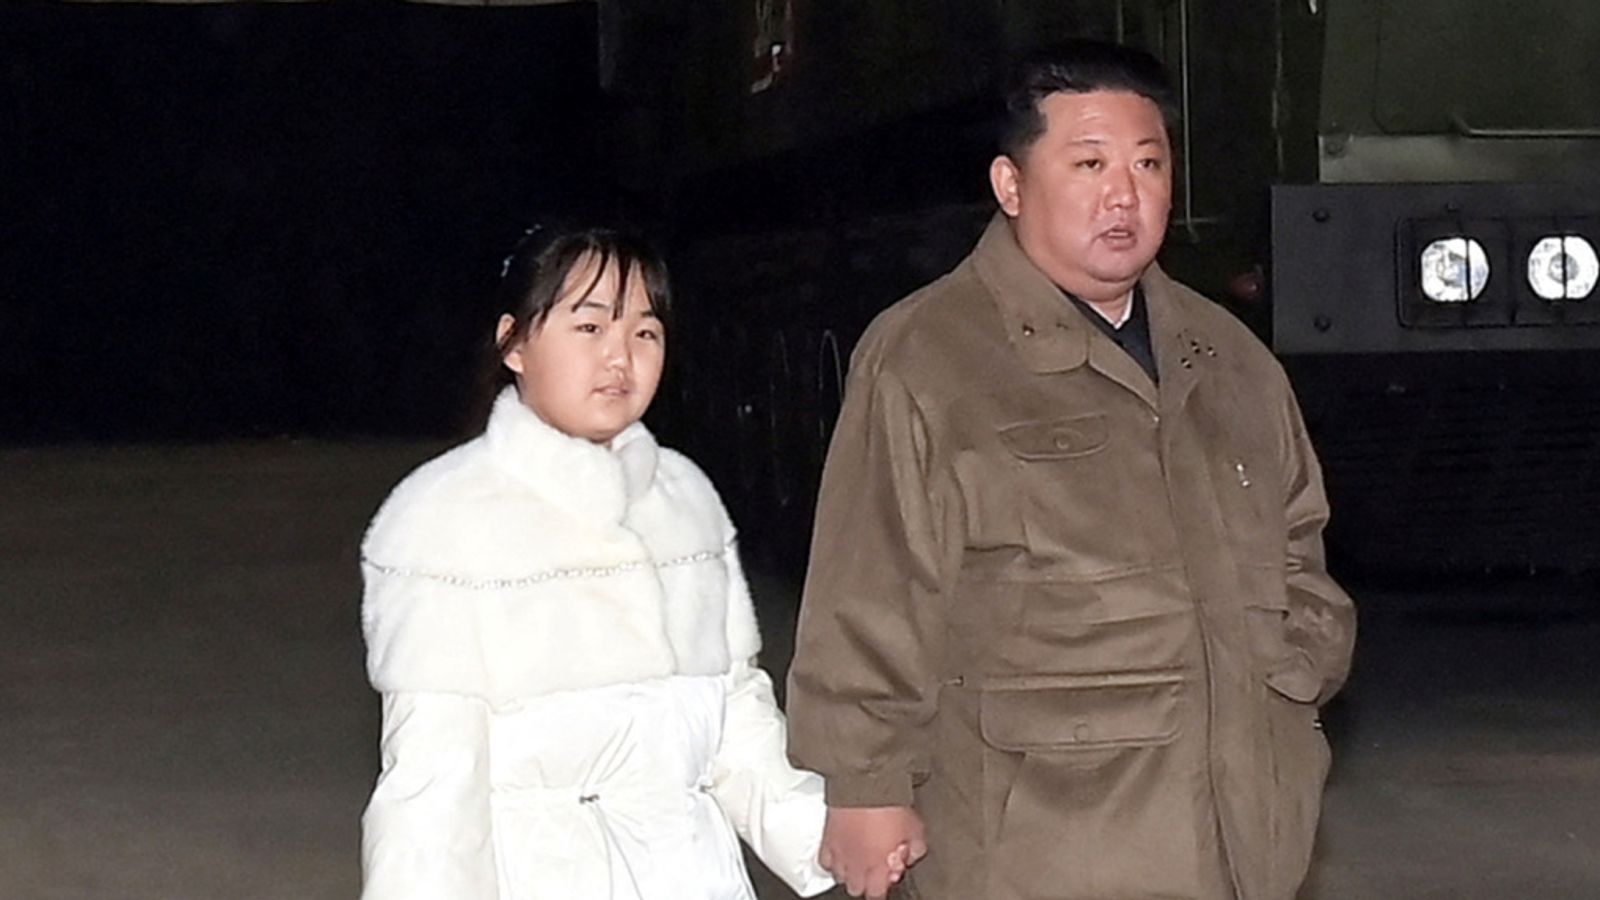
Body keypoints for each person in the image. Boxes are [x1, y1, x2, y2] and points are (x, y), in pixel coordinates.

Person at [786, 41, 1357, 900]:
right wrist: (864, 787)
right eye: (1089, 164)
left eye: (1148, 164)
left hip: (1239, 836)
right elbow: (870, 588)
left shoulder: (1227, 357)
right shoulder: (929, 358)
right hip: (1042, 840)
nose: (1124, 194)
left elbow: (1299, 543)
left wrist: (1294, 669)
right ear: (1011, 185)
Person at [357, 225, 837, 899]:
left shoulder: (685, 499)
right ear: (513, 343)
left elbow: (738, 720)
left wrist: (835, 842)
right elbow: (431, 789)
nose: (621, 358)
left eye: (645, 332)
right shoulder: (443, 521)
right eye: (589, 328)